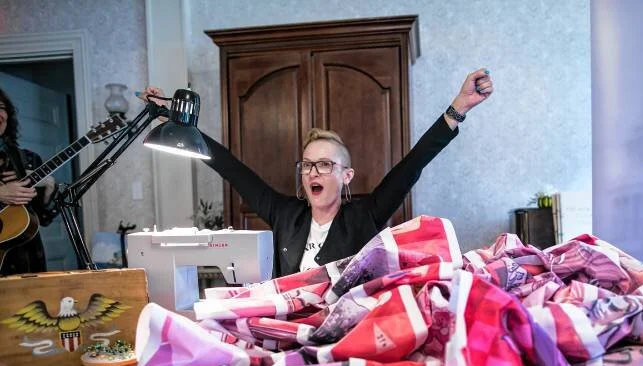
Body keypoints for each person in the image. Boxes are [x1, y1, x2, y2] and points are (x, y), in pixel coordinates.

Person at [141, 68, 493, 277]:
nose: (314, 171)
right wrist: (177, 124)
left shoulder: (366, 214)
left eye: (325, 164)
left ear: (346, 176)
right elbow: (232, 168)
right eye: (308, 164)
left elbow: (412, 164)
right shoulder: (284, 214)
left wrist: (458, 109)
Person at [0, 87, 57, 275]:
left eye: (2, 108)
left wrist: (48, 192)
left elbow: (44, 218)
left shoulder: (29, 160)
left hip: (28, 258)